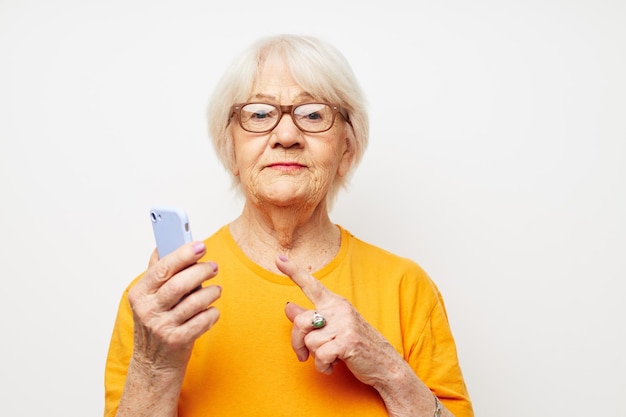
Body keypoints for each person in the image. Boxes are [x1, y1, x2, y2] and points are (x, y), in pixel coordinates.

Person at [104, 34, 474, 417]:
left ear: (346, 148)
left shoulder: (406, 288)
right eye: (260, 115)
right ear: (230, 147)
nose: (285, 136)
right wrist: (155, 366)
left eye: (313, 114)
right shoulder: (160, 303)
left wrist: (390, 372)